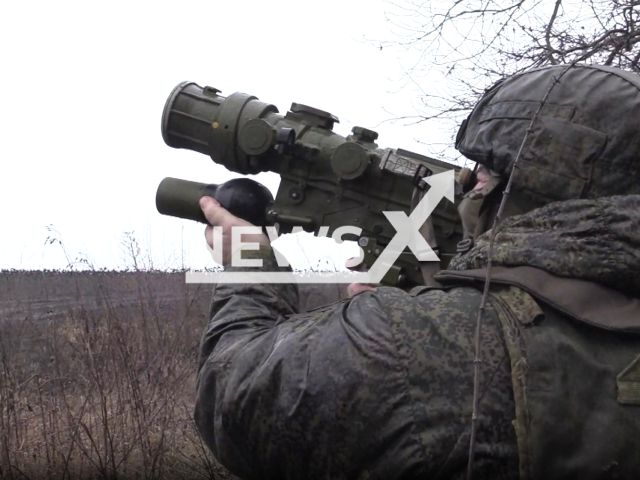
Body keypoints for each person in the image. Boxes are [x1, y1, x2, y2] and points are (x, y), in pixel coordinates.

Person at [193, 64, 640, 480]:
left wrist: (250, 261)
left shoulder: (424, 344)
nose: (468, 187)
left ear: (528, 186)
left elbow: (232, 399)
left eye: (484, 175)